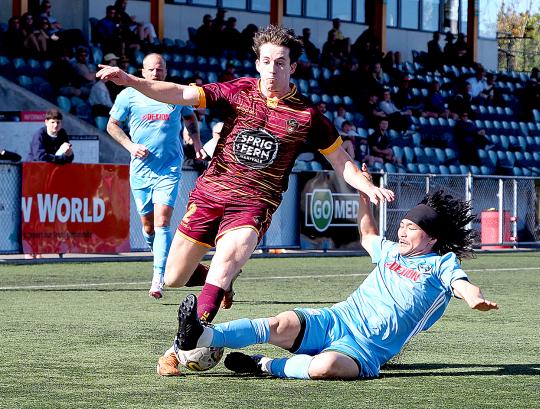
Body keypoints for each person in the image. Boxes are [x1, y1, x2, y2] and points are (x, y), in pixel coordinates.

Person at [96, 25, 394, 376]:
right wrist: (131, 80)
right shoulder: (237, 92)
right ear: (257, 64)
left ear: (292, 67)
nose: (272, 69)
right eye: (266, 61)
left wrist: (365, 185)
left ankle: (181, 348)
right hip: (210, 194)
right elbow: (178, 93)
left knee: (225, 263)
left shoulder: (308, 117)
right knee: (175, 277)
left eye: (280, 62)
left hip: (253, 203)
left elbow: (342, 161)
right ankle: (217, 283)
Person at [172, 179, 498, 380]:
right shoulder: (390, 252)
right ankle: (201, 336)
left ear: (431, 239)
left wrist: (473, 298)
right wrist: (362, 194)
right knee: (280, 322)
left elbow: (460, 283)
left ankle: (264, 365)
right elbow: (368, 232)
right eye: (403, 224)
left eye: (412, 228)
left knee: (325, 367)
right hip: (338, 319)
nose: (402, 230)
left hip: (366, 348)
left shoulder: (441, 264)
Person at [105, 53, 205, 299]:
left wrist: (196, 140)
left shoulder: (174, 92)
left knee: (162, 222)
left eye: (159, 70)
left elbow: (190, 116)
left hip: (169, 168)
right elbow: (112, 125)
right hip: (140, 170)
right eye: (151, 70)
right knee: (148, 227)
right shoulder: (129, 94)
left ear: (166, 70)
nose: (155, 74)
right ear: (143, 70)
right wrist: (130, 147)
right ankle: (169, 261)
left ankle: (158, 278)